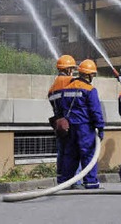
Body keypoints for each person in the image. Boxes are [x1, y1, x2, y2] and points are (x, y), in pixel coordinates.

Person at [59, 59, 105, 189]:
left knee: (70, 155)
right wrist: (100, 128)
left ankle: (65, 182)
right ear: (89, 75)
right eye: (93, 75)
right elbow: (95, 111)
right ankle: (90, 182)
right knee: (89, 154)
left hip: (70, 126)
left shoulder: (67, 88)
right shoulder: (90, 90)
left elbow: (62, 107)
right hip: (85, 127)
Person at [48, 55, 76, 184]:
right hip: (71, 123)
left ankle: (61, 178)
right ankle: (75, 181)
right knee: (74, 152)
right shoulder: (71, 82)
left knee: (61, 152)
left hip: (58, 123)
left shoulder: (53, 86)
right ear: (69, 69)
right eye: (72, 68)